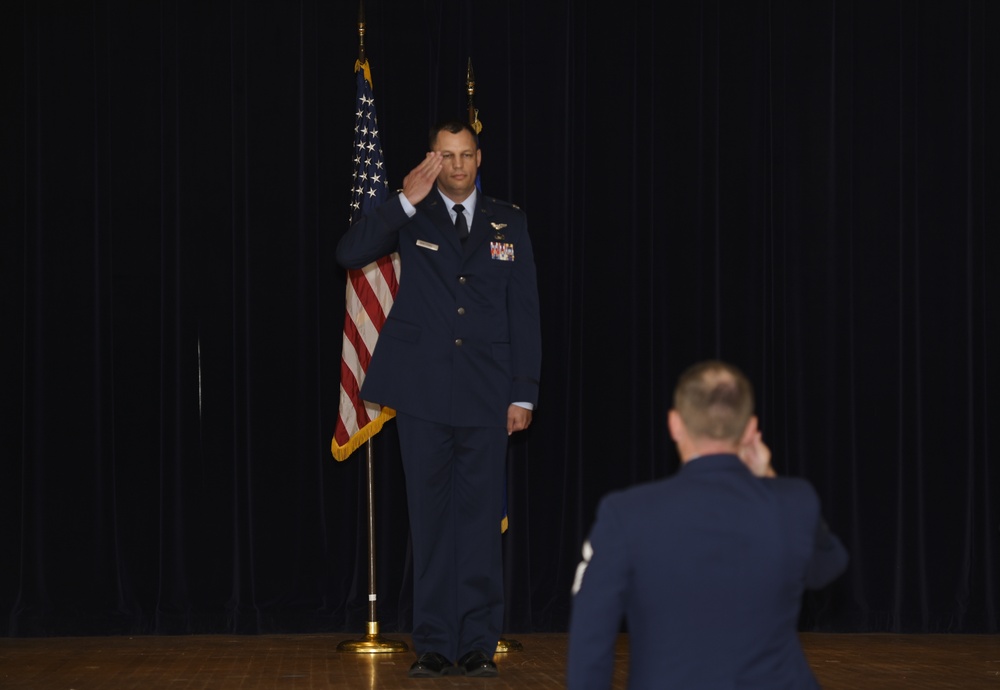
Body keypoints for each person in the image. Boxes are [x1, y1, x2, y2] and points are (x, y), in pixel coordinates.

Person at [336, 121, 541, 678]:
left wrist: (524, 392)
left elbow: (524, 313)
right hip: (422, 392)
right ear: (431, 159)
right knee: (429, 523)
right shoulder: (412, 213)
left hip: (487, 394)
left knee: (477, 525)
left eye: (466, 155)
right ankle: (431, 642)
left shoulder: (509, 221)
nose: (457, 166)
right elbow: (350, 252)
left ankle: (476, 642)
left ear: (480, 158)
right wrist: (403, 198)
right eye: (446, 156)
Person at [567, 360, 848, 689]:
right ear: (749, 429)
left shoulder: (626, 513)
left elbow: (591, 638)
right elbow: (829, 565)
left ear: (675, 424)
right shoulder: (794, 500)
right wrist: (769, 478)